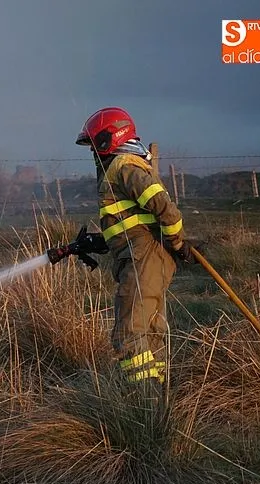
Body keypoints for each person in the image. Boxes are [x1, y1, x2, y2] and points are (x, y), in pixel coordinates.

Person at [75, 107, 195, 386]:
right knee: (150, 331)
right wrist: (103, 241)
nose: (94, 152)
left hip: (144, 257)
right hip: (140, 254)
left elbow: (167, 210)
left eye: (95, 145)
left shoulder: (124, 166)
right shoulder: (122, 167)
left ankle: (142, 401)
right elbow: (133, 221)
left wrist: (178, 243)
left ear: (110, 139)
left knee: (129, 332)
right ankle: (157, 397)